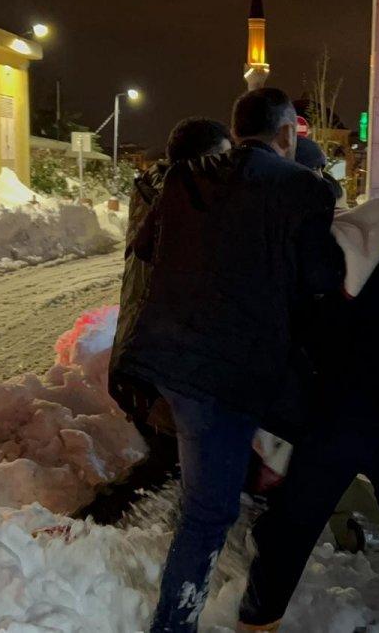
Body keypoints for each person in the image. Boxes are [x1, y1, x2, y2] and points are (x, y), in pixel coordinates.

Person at [121, 88, 345, 632]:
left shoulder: (185, 177)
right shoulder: (301, 189)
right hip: (233, 372)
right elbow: (321, 279)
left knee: (209, 498)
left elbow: (147, 247)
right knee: (209, 514)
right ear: (288, 133)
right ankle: (174, 623)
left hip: (174, 363)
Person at [236, 196, 379, 632]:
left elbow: (306, 328)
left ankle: (259, 619)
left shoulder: (342, 243)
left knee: (293, 524)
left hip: (334, 409)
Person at [110, 117, 233, 435]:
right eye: (224, 157)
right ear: (202, 162)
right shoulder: (182, 205)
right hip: (158, 368)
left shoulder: (154, 188)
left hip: (139, 356)